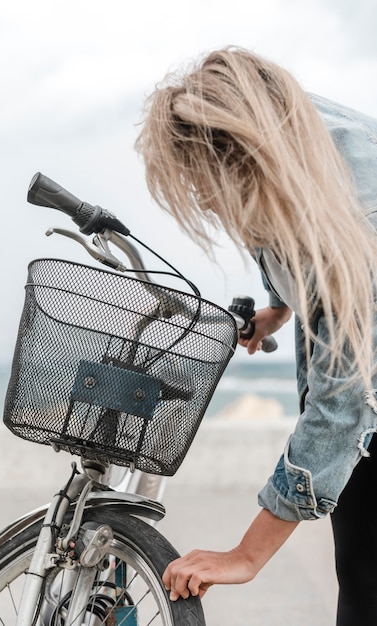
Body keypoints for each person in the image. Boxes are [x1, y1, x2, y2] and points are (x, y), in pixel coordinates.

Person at [135, 46, 377, 625]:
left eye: (208, 189)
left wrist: (245, 556)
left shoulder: (353, 215)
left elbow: (341, 407)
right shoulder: (293, 137)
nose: (206, 202)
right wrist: (278, 308)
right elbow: (273, 231)